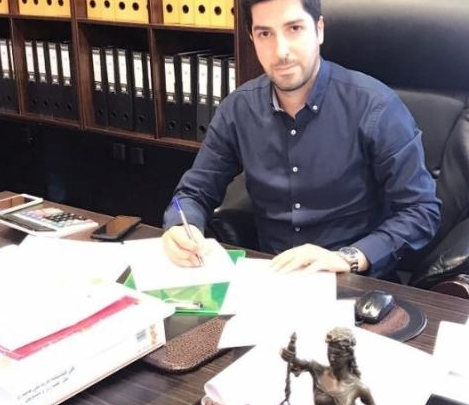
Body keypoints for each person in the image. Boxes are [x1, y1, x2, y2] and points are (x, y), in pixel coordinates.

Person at [161, 0, 441, 279]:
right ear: (252, 38)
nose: (280, 51)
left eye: (294, 28)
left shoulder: (376, 107)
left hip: (356, 282)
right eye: (265, 33)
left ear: (319, 30)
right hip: (274, 278)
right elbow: (192, 192)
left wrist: (349, 257)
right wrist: (181, 226)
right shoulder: (238, 109)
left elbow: (421, 210)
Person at [280, 327, 375, 405]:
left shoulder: (359, 387)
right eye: (329, 353)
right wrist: (286, 354)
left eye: (338, 354)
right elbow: (296, 360)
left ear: (349, 355)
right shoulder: (318, 370)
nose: (332, 358)